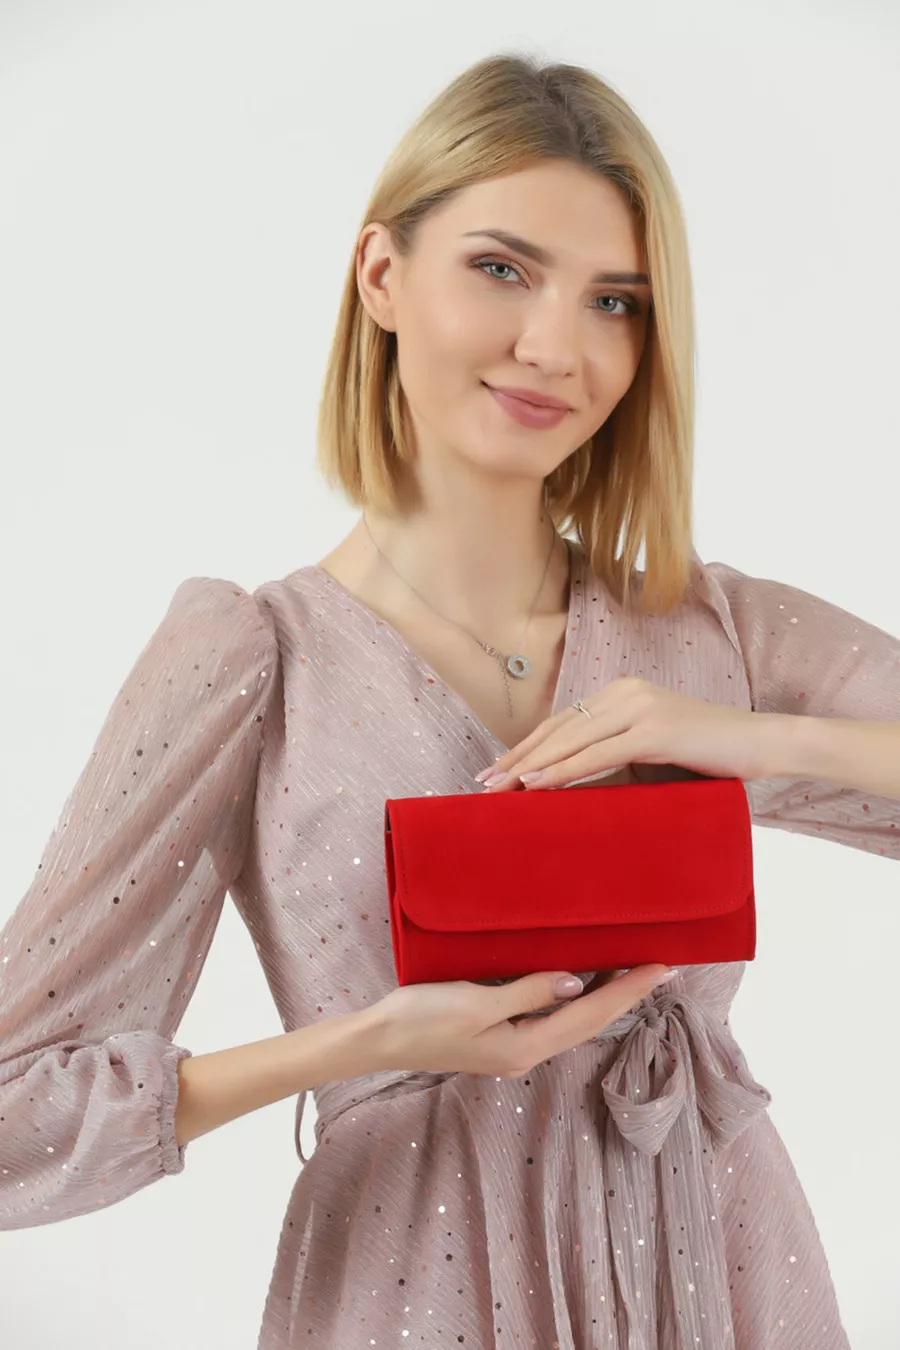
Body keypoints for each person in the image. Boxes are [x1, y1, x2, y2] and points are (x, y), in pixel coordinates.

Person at [0, 51, 897, 1350]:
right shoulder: (254, 657)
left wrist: (746, 736)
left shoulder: (710, 632)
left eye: (616, 301)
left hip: (721, 1272)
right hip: (415, 1285)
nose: (556, 346)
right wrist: (360, 1046)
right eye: (502, 269)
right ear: (381, 274)